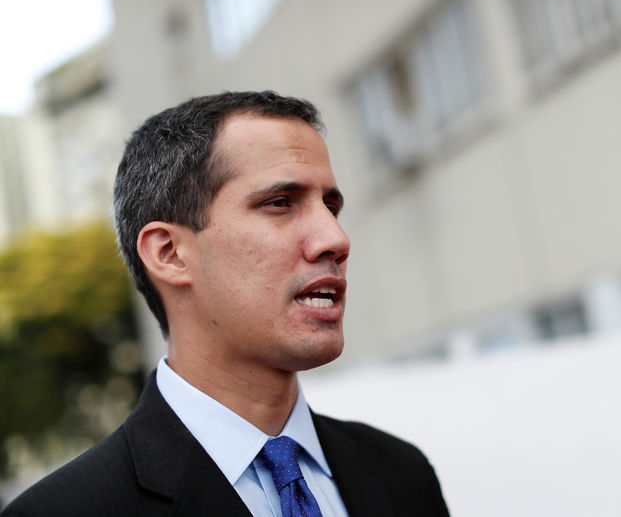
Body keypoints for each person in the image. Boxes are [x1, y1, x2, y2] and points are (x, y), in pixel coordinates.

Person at [1, 91, 449, 516]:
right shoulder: (66, 511)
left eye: (331, 207)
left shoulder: (403, 474)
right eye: (280, 203)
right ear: (169, 253)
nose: (336, 238)